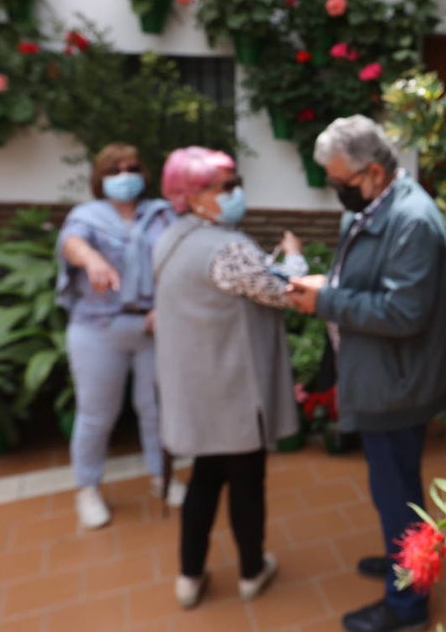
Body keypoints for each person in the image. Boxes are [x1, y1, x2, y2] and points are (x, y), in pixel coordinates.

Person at [287, 115, 446, 632]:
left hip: (397, 383)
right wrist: (328, 286)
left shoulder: (412, 220)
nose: (336, 189)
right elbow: (364, 281)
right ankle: (402, 558)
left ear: (375, 172)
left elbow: (404, 313)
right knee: (393, 490)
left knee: (397, 493)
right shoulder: (372, 206)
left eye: (341, 181)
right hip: (379, 373)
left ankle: (407, 606)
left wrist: (326, 301)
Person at [153, 146, 306, 609]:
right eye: (226, 187)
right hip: (236, 392)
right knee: (246, 483)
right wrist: (294, 258)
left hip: (198, 390)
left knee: (204, 478)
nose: (236, 193)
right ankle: (251, 571)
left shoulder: (170, 237)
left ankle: (189, 575)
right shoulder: (228, 248)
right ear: (193, 196)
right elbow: (285, 292)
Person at [56, 142, 183, 531]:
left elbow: (179, 261)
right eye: (115, 170)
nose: (124, 177)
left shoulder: (161, 214)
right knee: (96, 414)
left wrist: (167, 304)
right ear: (101, 177)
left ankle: (162, 476)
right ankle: (87, 488)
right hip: (98, 328)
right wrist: (91, 258)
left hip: (151, 327)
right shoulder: (87, 216)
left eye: (132, 169)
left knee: (156, 408)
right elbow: (71, 242)